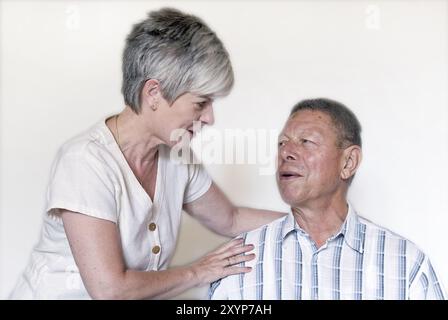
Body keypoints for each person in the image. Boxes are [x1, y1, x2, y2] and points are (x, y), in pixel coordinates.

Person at [10, 8, 284, 300]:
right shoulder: (85, 163)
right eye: (200, 103)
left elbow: (230, 218)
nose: (210, 118)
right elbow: (109, 290)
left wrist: (313, 221)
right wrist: (199, 271)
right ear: (153, 93)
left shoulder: (177, 155)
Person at [209, 98, 446, 300]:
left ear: (348, 162)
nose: (285, 152)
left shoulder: (405, 263)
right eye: (282, 143)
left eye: (306, 141)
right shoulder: (238, 262)